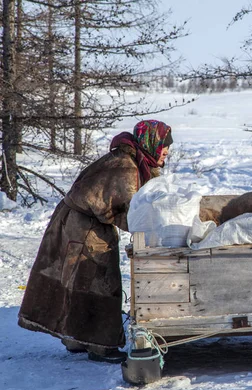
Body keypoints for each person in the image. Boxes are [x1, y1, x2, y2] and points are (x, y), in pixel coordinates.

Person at [18, 120, 173, 363]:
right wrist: (157, 228)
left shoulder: (129, 160)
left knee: (77, 280)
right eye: (164, 145)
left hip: (77, 222)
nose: (166, 151)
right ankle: (100, 345)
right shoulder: (126, 167)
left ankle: (76, 339)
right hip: (85, 229)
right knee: (99, 282)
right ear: (151, 143)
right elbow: (130, 211)